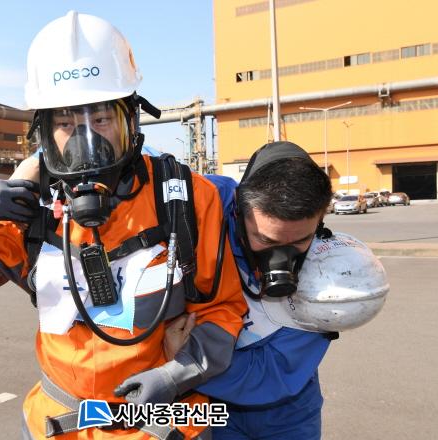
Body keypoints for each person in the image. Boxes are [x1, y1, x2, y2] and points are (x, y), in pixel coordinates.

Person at [0, 11, 246, 440]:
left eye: (101, 120)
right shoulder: (28, 206)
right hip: (58, 422)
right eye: (66, 124)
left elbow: (223, 308)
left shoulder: (184, 197)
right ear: (43, 132)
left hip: (162, 422)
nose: (86, 140)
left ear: (130, 118)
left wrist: (178, 374)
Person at [167, 141, 389, 440]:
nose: (281, 257)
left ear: (320, 222)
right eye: (266, 240)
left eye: (299, 241)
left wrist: (183, 363)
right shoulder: (205, 205)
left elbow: (270, 376)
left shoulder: (329, 272)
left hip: (288, 416)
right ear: (238, 211)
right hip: (211, 409)